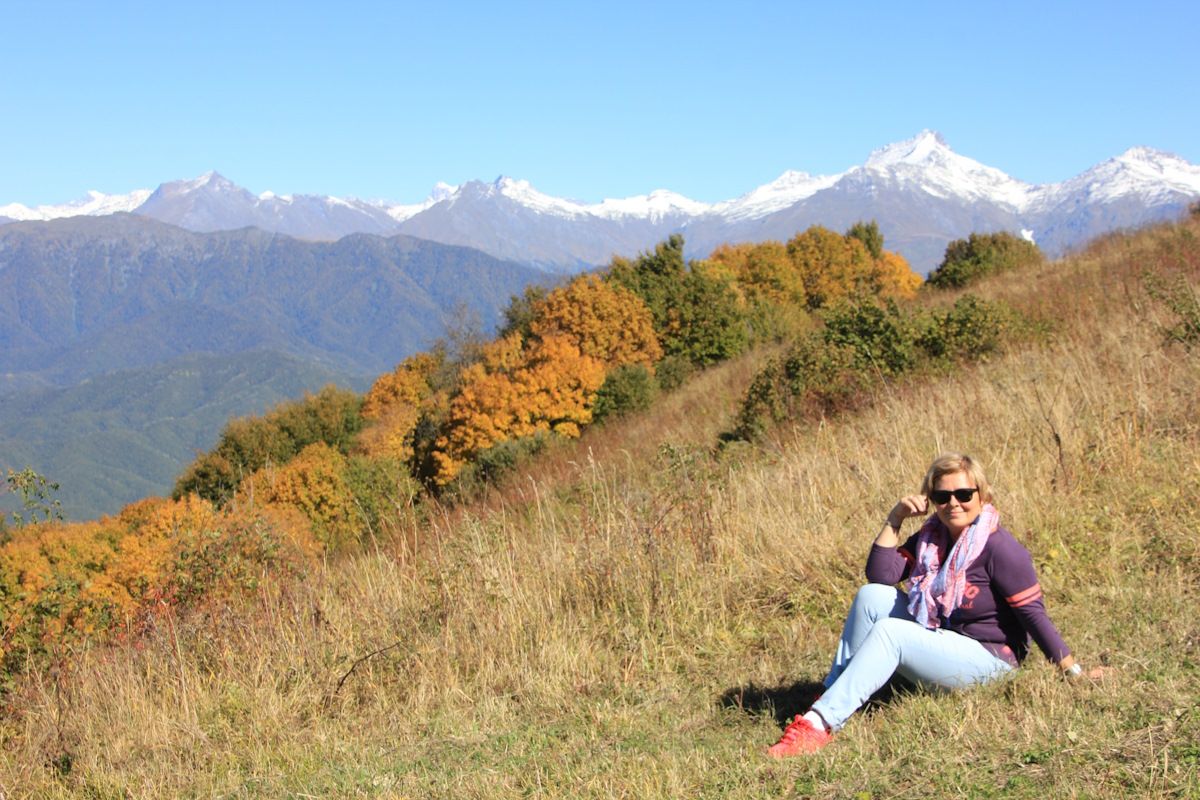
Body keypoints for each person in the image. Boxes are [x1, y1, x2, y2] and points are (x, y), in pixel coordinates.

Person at [768, 452, 1092, 757]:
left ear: (982, 494)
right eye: (942, 496)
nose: (954, 503)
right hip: (945, 642)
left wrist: (1073, 672)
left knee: (890, 632)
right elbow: (881, 575)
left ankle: (819, 724)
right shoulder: (931, 539)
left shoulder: (1000, 548)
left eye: (964, 494)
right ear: (931, 500)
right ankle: (835, 693)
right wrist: (895, 518)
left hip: (990, 662)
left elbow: (1033, 615)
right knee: (872, 596)